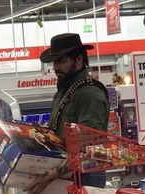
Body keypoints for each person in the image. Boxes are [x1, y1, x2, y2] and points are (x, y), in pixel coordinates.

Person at [25, 33, 110, 193]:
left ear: (78, 59)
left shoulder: (90, 94)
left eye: (61, 60)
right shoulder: (65, 91)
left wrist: (53, 173)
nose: (55, 67)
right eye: (54, 61)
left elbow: (89, 146)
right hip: (66, 172)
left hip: (85, 175)